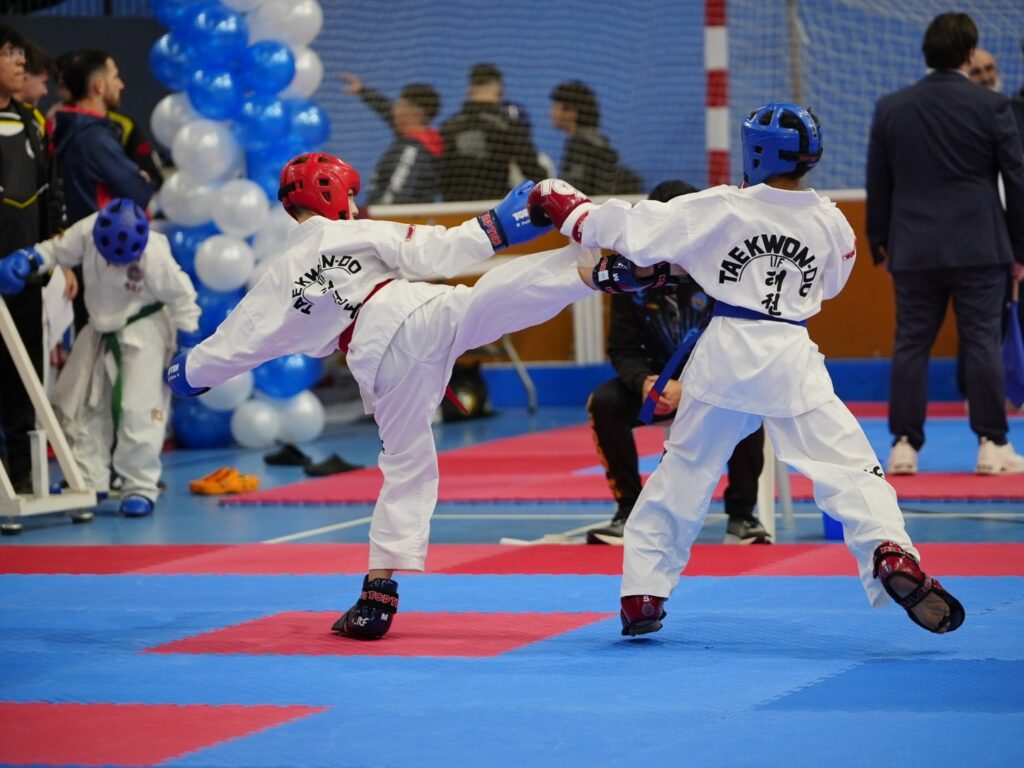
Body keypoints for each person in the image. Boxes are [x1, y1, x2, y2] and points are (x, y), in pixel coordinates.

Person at [527, 101, 966, 637]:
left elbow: (634, 230)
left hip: (726, 352)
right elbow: (830, 286)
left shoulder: (721, 207)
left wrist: (567, 206)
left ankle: (643, 591)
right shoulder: (832, 222)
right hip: (790, 353)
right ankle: (890, 551)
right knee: (849, 466)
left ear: (757, 152)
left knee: (684, 470)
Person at [164, 152, 606, 639]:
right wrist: (497, 226)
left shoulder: (276, 279)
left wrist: (189, 372)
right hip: (413, 312)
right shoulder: (354, 232)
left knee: (406, 465)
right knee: (490, 299)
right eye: (350, 196)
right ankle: (591, 270)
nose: (355, 206)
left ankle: (377, 598)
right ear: (328, 193)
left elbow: (237, 342)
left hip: (376, 362)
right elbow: (435, 251)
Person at [866, 13, 1024, 476]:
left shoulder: (891, 108)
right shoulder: (992, 106)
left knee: (911, 344)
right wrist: (1019, 250)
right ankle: (993, 444)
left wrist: (880, 241)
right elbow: (1016, 180)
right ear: (969, 54)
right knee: (982, 342)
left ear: (926, 53)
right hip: (980, 246)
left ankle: (903, 445)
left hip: (913, 247)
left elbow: (879, 181)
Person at [586, 179, 768, 546]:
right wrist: (644, 382)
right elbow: (622, 349)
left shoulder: (724, 269)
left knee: (748, 402)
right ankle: (629, 512)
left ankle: (742, 516)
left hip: (713, 386)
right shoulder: (631, 273)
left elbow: (740, 342)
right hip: (655, 389)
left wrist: (691, 387)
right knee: (603, 403)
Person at [0, 198, 199, 516]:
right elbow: (55, 250)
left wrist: (187, 344)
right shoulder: (87, 230)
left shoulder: (154, 253)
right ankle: (89, 479)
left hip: (145, 329)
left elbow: (183, 298)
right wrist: (28, 259)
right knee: (86, 407)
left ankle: (140, 486)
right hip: (100, 329)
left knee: (138, 410)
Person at [0, 25, 66, 494]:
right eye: (8, 53)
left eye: (20, 53)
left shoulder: (32, 122)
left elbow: (51, 192)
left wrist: (53, 256)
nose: (20, 61)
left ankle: (23, 473)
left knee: (24, 377)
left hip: (23, 274)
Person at [439, 63, 547, 202]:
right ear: (500, 89)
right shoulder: (508, 125)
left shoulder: (449, 126)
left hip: (452, 208)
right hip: (492, 207)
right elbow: (532, 170)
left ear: (470, 90)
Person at [338, 72, 442, 205]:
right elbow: (386, 109)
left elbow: (396, 196)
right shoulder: (424, 141)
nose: (394, 110)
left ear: (414, 113)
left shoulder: (411, 150)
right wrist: (363, 91)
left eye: (399, 105)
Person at [549, 80, 642, 196]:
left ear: (571, 112)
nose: (550, 113)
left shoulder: (581, 145)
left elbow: (576, 188)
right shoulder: (594, 141)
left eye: (555, 107)